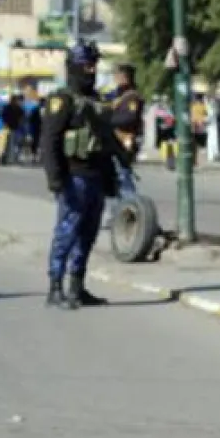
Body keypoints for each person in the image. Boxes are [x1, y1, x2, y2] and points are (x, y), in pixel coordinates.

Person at [40, 41, 129, 310]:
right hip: (73, 177)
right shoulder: (62, 100)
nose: (91, 71)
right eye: (86, 65)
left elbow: (106, 137)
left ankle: (77, 287)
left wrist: (119, 162)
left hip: (95, 177)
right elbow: (50, 141)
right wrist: (56, 179)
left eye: (94, 65)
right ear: (74, 67)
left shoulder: (96, 101)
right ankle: (55, 287)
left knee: (88, 234)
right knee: (67, 232)